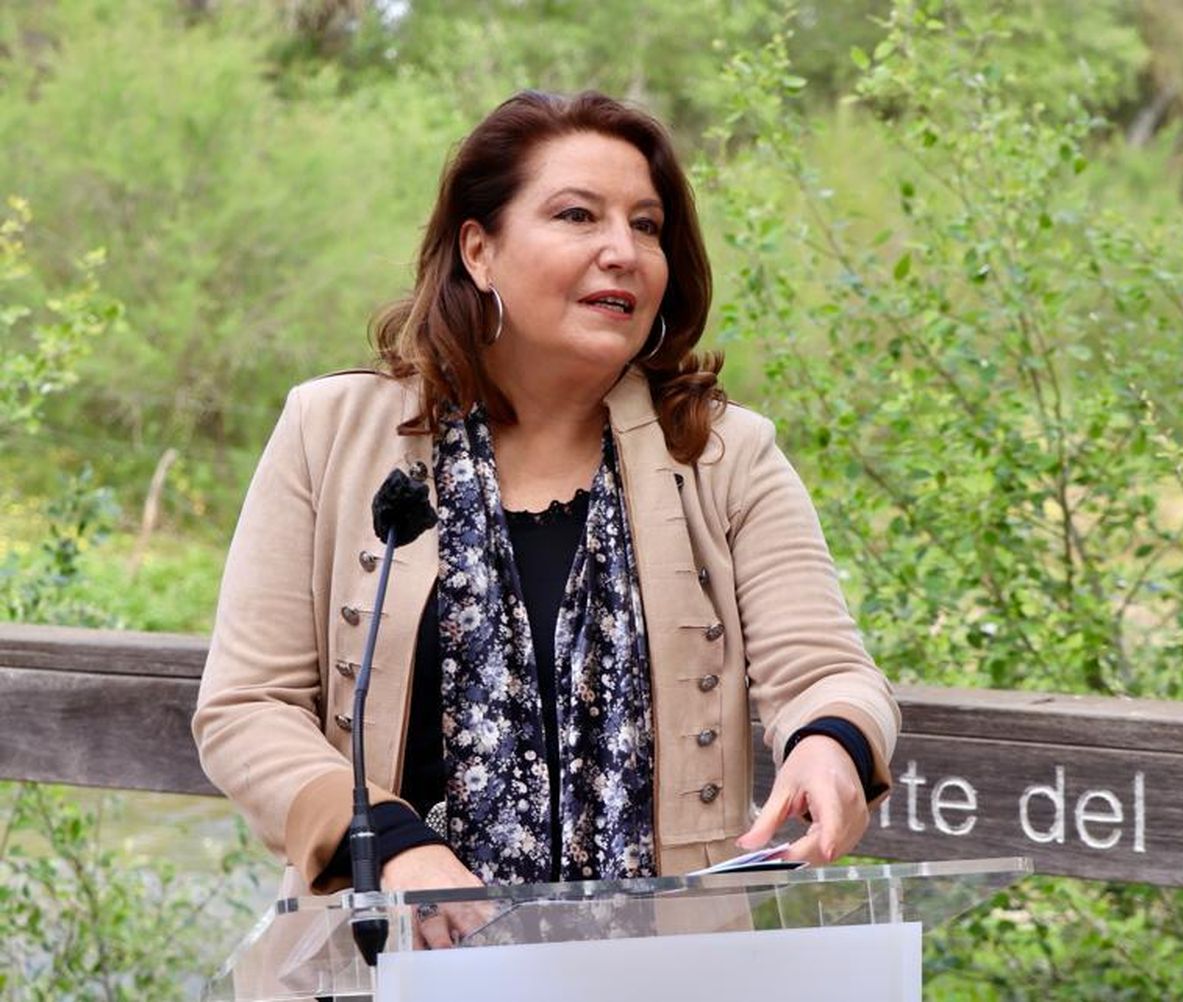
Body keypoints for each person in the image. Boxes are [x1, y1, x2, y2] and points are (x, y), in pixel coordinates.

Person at [191, 90, 900, 951]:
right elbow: (246, 708)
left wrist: (831, 745)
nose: (623, 252)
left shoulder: (726, 455)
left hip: (669, 970)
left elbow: (829, 673)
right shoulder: (330, 432)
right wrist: (386, 842)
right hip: (396, 962)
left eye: (646, 225)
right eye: (577, 215)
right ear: (479, 249)